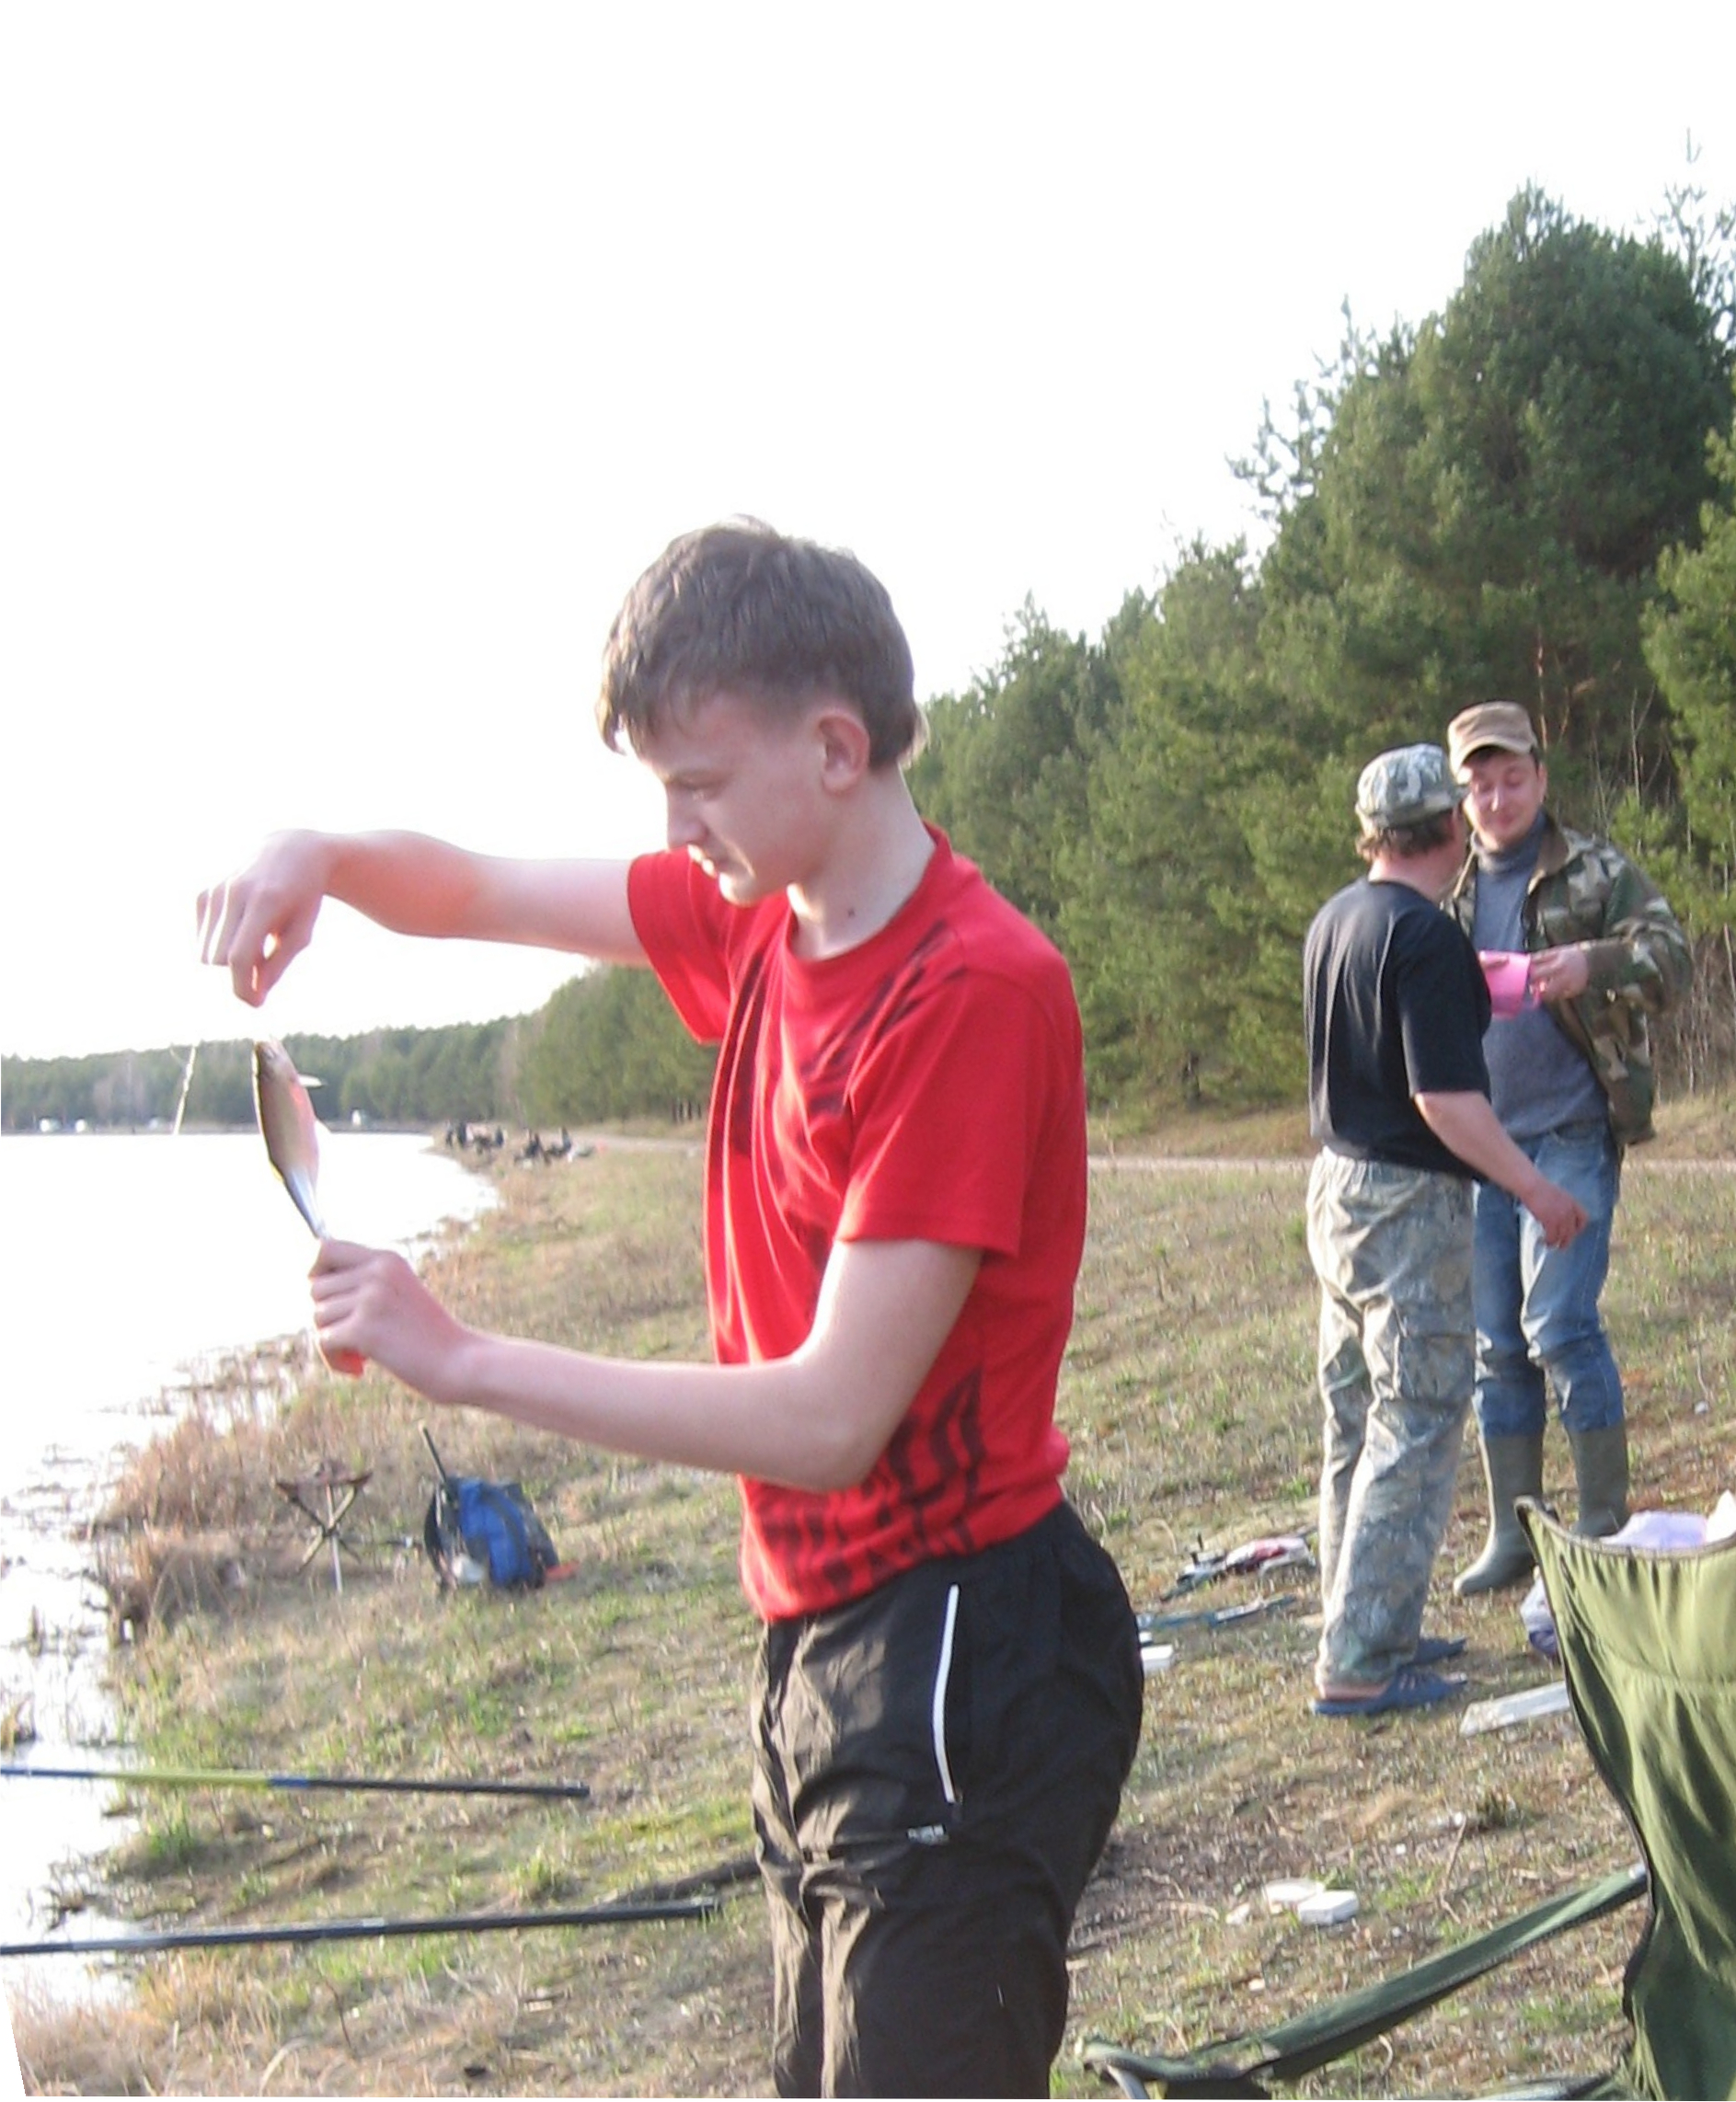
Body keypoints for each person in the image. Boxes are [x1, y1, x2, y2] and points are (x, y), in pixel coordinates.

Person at [197, 521, 1144, 2099]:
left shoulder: (969, 990)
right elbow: (475, 888)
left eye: (696, 784)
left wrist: (461, 1357)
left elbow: (829, 1418)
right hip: (817, 1643)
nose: (672, 826)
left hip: (958, 1651)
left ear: (834, 747)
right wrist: (323, 856)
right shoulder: (759, 915)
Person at [1303, 744, 1587, 1717]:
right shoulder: (1422, 934)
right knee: (1416, 1415)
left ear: (1373, 833)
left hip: (1335, 1188)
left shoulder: (1338, 919)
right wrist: (1533, 1188)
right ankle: (1360, 1659)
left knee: (1354, 1415)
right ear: (1453, 827)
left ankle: (1359, 1619)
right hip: (1406, 1202)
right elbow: (1444, 1098)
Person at [1443, 700, 1694, 1596]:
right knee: (1495, 1346)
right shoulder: (1447, 895)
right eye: (1480, 784)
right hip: (1481, 1148)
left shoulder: (1594, 870)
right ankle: (1515, 1532)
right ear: (1462, 797)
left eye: (1512, 777)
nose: (1497, 797)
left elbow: (1672, 957)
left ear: (1540, 778)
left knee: (1558, 1324)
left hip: (1572, 1131)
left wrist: (1595, 962)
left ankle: (1600, 1522)